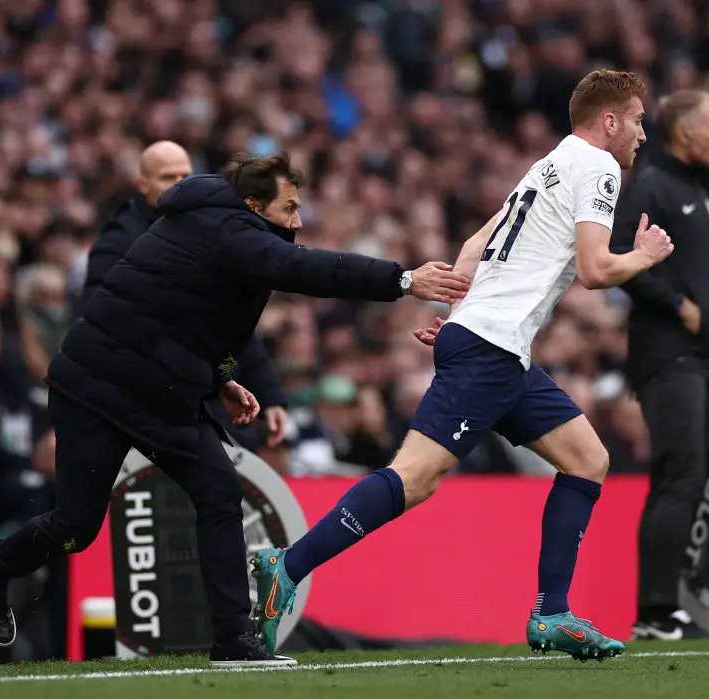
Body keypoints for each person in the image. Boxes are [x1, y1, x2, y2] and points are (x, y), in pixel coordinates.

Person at [0, 152, 469, 667]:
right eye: (289, 207)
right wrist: (403, 281)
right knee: (76, 527)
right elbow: (301, 268)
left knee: (219, 490)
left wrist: (221, 378)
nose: (297, 220)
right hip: (97, 389)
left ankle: (233, 641)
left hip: (157, 390)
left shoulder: (219, 224)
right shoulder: (229, 230)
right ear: (254, 204)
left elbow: (186, 313)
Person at [250, 69, 673, 661]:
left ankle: (552, 612)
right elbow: (596, 270)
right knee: (414, 478)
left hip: (494, 347)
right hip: (490, 349)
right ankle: (286, 567)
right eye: (635, 120)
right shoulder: (597, 166)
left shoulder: (550, 164)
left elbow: (479, 242)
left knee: (588, 459)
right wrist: (645, 256)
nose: (641, 134)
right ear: (610, 120)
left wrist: (460, 313)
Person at [609, 89, 709, 641]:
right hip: (664, 356)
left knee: (690, 481)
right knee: (680, 478)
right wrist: (679, 307)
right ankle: (654, 613)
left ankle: (673, 606)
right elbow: (618, 260)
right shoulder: (652, 185)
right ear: (684, 133)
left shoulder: (701, 189)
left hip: (697, 359)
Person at [80, 141, 289, 449]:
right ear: (143, 184)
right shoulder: (118, 242)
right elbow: (102, 319)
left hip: (207, 386)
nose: (180, 185)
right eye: (168, 177)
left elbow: (235, 322)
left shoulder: (211, 230)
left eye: (185, 176)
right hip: (147, 395)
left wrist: (270, 394)